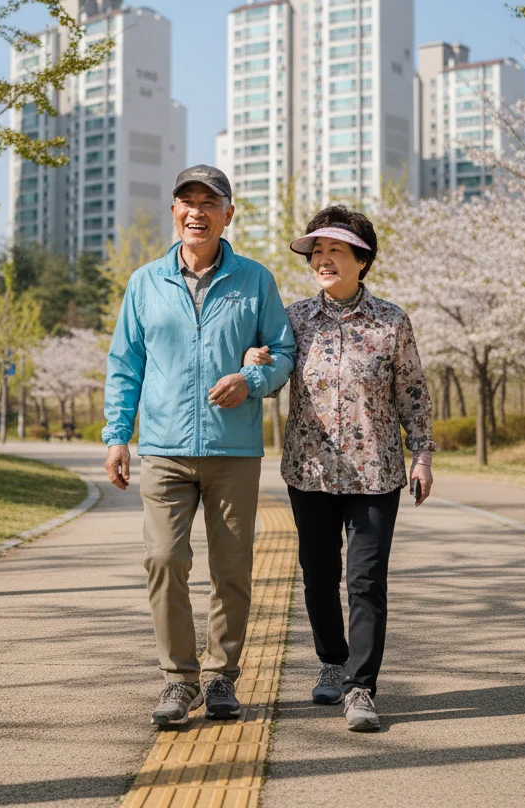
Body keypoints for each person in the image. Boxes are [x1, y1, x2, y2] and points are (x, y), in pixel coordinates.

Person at [103, 165, 296, 728]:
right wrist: (118, 435)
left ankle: (221, 678)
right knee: (164, 560)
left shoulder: (255, 279)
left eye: (208, 202)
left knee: (232, 568)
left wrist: (251, 381)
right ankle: (178, 680)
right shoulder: (144, 282)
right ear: (173, 212)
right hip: (163, 449)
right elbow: (124, 366)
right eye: (186, 201)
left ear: (228, 213)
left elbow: (283, 352)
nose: (196, 211)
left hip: (233, 451)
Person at [244, 204, 435, 732]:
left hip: (377, 473)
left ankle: (361, 687)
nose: (323, 260)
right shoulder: (296, 319)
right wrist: (259, 364)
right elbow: (278, 374)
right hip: (311, 471)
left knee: (366, 579)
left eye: (335, 251)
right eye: (317, 252)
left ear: (362, 259)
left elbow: (413, 393)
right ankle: (332, 661)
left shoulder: (392, 321)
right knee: (319, 576)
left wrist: (422, 455)